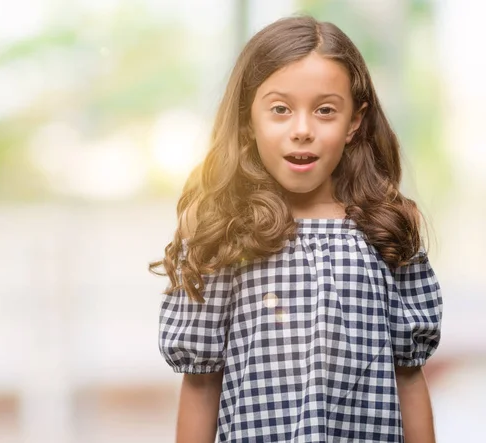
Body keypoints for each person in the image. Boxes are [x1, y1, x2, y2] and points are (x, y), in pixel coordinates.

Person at [150, 15, 443, 443]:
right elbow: (200, 383)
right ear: (249, 120)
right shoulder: (224, 232)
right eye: (280, 110)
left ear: (354, 122)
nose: (302, 130)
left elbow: (409, 377)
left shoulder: (387, 229)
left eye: (325, 110)